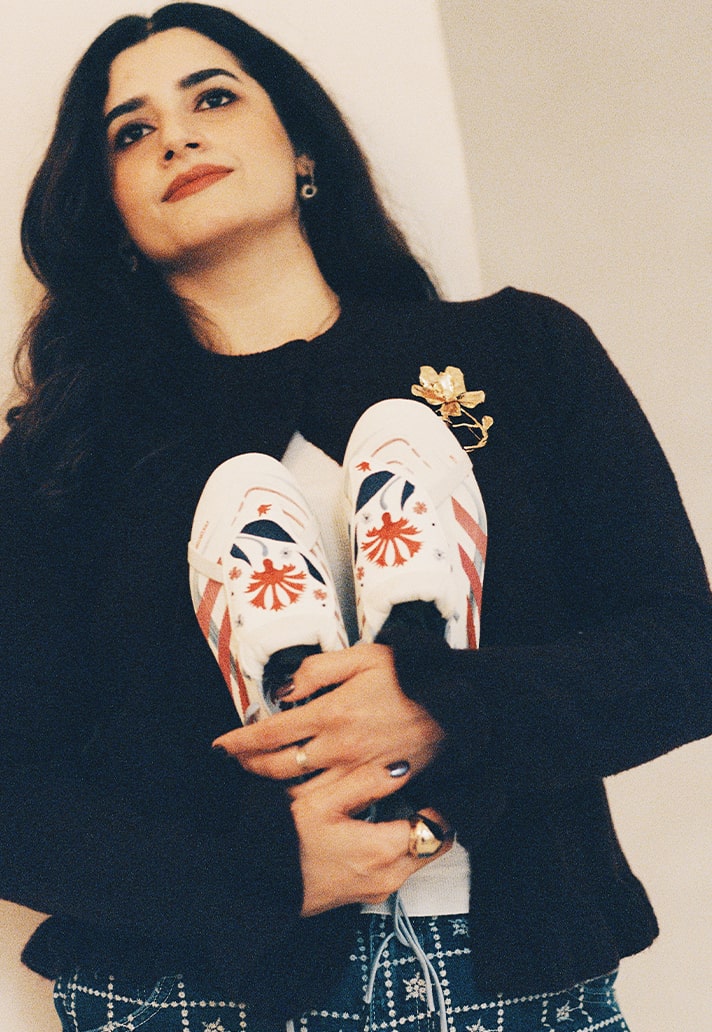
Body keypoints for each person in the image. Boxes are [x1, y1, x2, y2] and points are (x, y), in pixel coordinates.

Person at [0, 3, 709, 1031]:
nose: (177, 137)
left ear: (302, 149)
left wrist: (441, 705)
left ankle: (408, 631)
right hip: (194, 990)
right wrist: (259, 874)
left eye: (213, 98)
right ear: (108, 210)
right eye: (131, 131)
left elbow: (683, 649)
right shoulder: (67, 453)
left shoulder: (519, 352)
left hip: (513, 975)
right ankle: (287, 677)